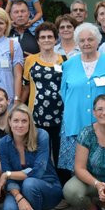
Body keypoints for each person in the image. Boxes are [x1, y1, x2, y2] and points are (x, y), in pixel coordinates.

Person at [58, 23, 105, 201]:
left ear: (98, 40)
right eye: (82, 40)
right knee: (78, 166)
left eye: (90, 39)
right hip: (75, 122)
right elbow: (64, 92)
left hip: (103, 125)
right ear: (77, 43)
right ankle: (84, 201)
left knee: (103, 165)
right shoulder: (69, 65)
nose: (86, 43)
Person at [0, 105, 63, 210]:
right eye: (16, 121)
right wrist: (19, 198)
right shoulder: (3, 143)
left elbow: (37, 172)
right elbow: (10, 180)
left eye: (24, 121)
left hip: (48, 187)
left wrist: (7, 174)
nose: (20, 125)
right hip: (21, 189)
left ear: (30, 122)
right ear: (9, 122)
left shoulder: (41, 135)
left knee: (30, 182)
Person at [22, 22, 67, 186]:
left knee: (60, 153)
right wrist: (19, 106)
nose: (46, 40)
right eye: (43, 37)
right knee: (41, 153)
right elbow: (26, 87)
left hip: (60, 115)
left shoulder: (65, 61)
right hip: (37, 116)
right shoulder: (30, 61)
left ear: (56, 40)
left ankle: (62, 189)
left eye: (50, 37)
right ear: (38, 41)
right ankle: (44, 185)